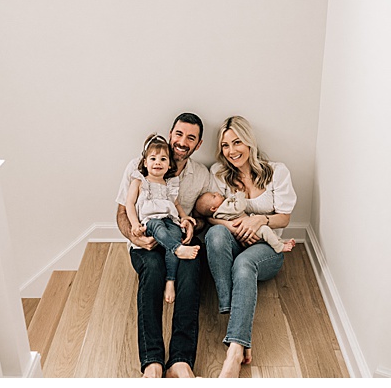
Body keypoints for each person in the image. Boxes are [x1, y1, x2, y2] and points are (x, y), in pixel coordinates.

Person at [115, 113, 216, 378]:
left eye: (191, 138)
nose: (183, 142)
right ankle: (152, 362)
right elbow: (122, 212)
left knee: (191, 270)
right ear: (171, 134)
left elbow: (205, 217)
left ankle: (180, 360)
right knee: (153, 271)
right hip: (147, 240)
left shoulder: (201, 175)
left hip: (179, 236)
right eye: (179, 134)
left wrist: (193, 224)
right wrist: (135, 237)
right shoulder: (139, 167)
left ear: (198, 143)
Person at [203, 115, 296, 378]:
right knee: (215, 235)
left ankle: (235, 351)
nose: (231, 151)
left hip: (267, 248)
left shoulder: (277, 171)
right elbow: (209, 214)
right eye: (225, 145)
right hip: (233, 240)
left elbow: (285, 217)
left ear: (249, 142)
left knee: (244, 265)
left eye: (237, 142)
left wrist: (259, 220)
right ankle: (233, 309)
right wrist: (233, 226)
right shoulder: (218, 174)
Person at [124, 134, 200, 304]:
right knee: (158, 227)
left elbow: (177, 204)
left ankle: (170, 281)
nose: (158, 162)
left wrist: (185, 217)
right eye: (153, 158)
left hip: (169, 219)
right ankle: (178, 249)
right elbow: (129, 204)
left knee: (173, 233)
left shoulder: (170, 183)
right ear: (145, 162)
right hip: (150, 221)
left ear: (169, 164)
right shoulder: (139, 181)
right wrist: (135, 224)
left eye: (163, 159)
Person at [196, 191, 295, 253]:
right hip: (247, 229)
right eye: (214, 196)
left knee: (267, 232)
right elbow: (239, 207)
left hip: (245, 231)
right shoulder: (224, 208)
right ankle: (279, 247)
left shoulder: (218, 213)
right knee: (265, 230)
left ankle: (282, 242)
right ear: (213, 208)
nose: (217, 193)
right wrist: (239, 195)